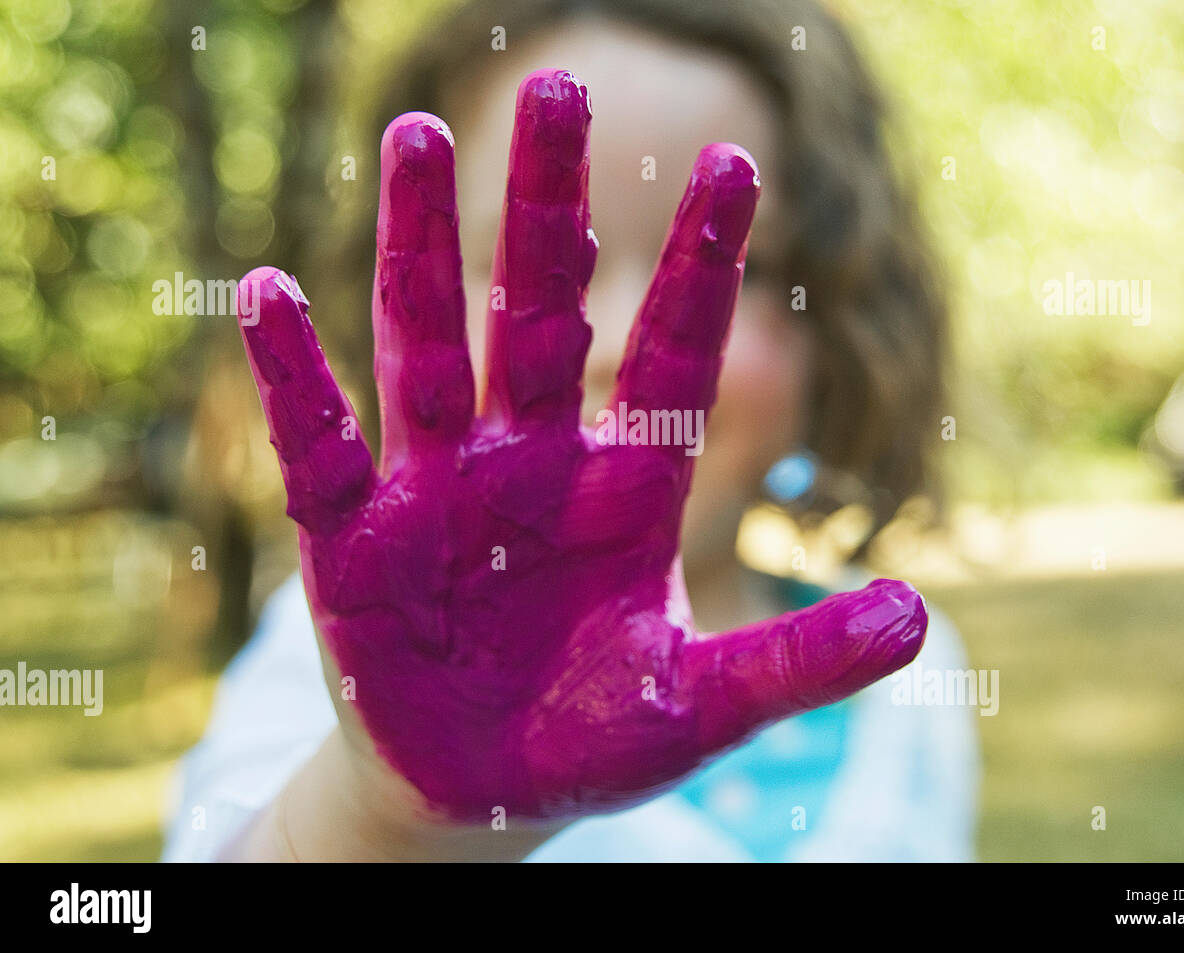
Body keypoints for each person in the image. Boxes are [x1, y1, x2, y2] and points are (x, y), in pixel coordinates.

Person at [164, 0, 977, 862]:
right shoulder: (353, 651)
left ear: (839, 322)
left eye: (735, 257)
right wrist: (382, 815)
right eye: (527, 257)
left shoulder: (906, 676)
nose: (624, 334)